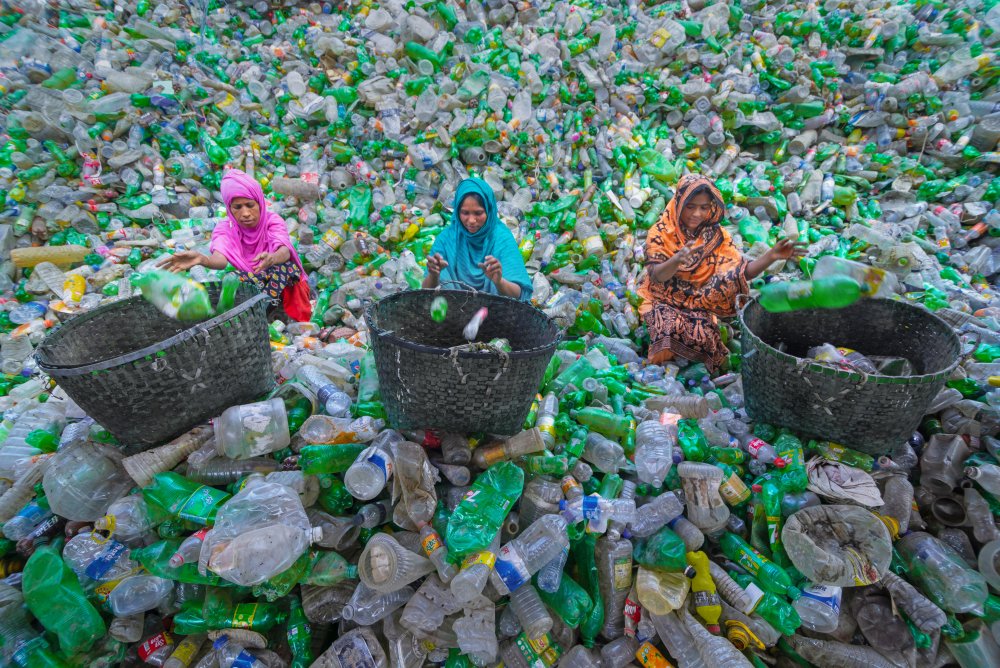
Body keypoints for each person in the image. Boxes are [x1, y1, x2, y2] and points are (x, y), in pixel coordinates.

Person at [637, 174, 806, 372]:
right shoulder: (661, 232)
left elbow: (740, 272)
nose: (696, 214)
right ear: (678, 203)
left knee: (706, 336)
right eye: (690, 206)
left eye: (704, 207)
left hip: (698, 300)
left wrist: (772, 256)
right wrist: (676, 261)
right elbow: (657, 275)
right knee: (666, 330)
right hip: (662, 298)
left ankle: (696, 351)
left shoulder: (716, 236)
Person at [157, 169, 313, 322]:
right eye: (237, 207)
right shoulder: (226, 228)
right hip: (256, 284)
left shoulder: (272, 220)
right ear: (229, 209)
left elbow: (284, 251)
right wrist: (202, 259)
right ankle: (254, 318)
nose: (245, 213)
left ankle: (275, 316)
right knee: (231, 279)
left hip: (285, 284)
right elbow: (221, 259)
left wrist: (272, 258)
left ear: (259, 203)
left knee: (284, 267)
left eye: (249, 205)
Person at [422, 177, 533, 301]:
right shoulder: (447, 239)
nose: (471, 221)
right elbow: (426, 292)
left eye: (478, 213)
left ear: (489, 211)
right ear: (457, 211)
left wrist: (499, 281)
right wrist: (433, 275)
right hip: (453, 314)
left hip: (495, 315)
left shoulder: (502, 239)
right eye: (465, 213)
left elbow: (519, 294)